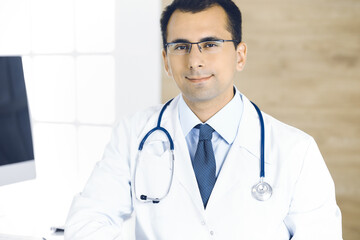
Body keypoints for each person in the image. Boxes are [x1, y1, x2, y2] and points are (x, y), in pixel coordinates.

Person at [64, 0, 342, 239]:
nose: (194, 61)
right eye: (181, 47)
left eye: (210, 44)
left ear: (240, 55)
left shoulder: (296, 150)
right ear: (165, 60)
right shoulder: (133, 133)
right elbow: (87, 223)